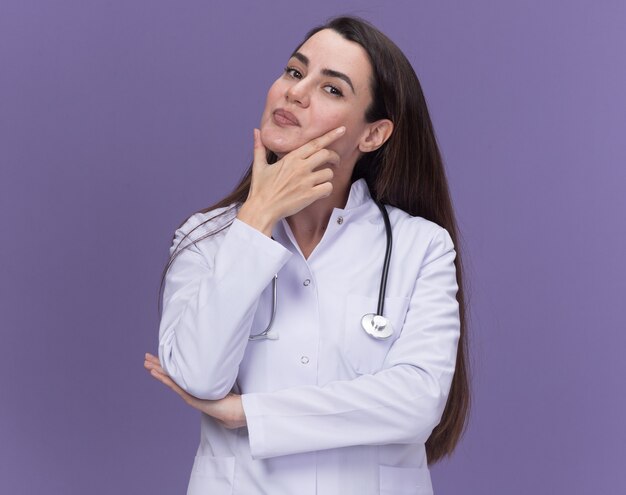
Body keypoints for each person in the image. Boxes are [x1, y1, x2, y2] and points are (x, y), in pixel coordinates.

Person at [144, 15, 470, 495]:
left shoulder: (420, 247)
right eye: (295, 73)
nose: (296, 92)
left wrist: (250, 414)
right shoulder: (205, 237)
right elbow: (198, 375)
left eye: (332, 89)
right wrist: (257, 217)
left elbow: (417, 402)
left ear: (373, 135)